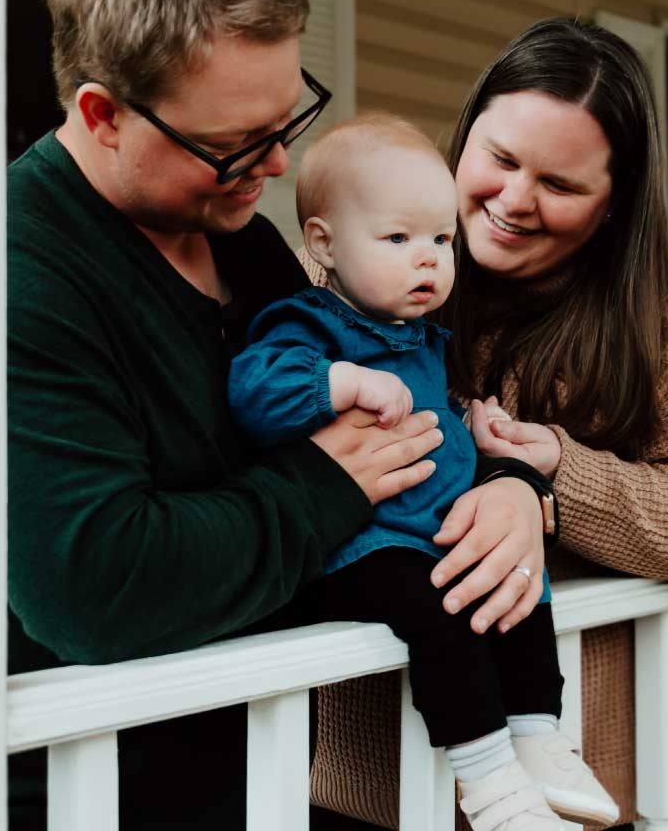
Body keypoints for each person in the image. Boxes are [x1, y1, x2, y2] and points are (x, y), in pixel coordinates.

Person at [4, 0, 554, 830]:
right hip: (82, 789)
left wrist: (510, 482)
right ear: (103, 115)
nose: (273, 168)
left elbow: (411, 394)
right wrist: (323, 485)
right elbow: (94, 582)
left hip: (264, 765)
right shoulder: (22, 270)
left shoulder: (245, 244)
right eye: (233, 144)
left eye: (287, 121)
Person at [308, 18, 668, 829]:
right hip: (367, 779)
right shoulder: (365, 275)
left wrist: (551, 490)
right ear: (466, 140)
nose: (514, 201)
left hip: (566, 784)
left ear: (613, 205)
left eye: (560, 186)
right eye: (498, 159)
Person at [229, 117, 618, 830]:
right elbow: (253, 392)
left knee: (520, 584)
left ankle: (538, 736)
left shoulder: (425, 339)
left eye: (442, 240)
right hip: (365, 545)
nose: (429, 261)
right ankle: (492, 784)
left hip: (434, 528)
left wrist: (477, 426)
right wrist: (338, 383)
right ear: (324, 244)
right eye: (398, 239)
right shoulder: (309, 325)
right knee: (443, 621)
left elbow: (436, 406)